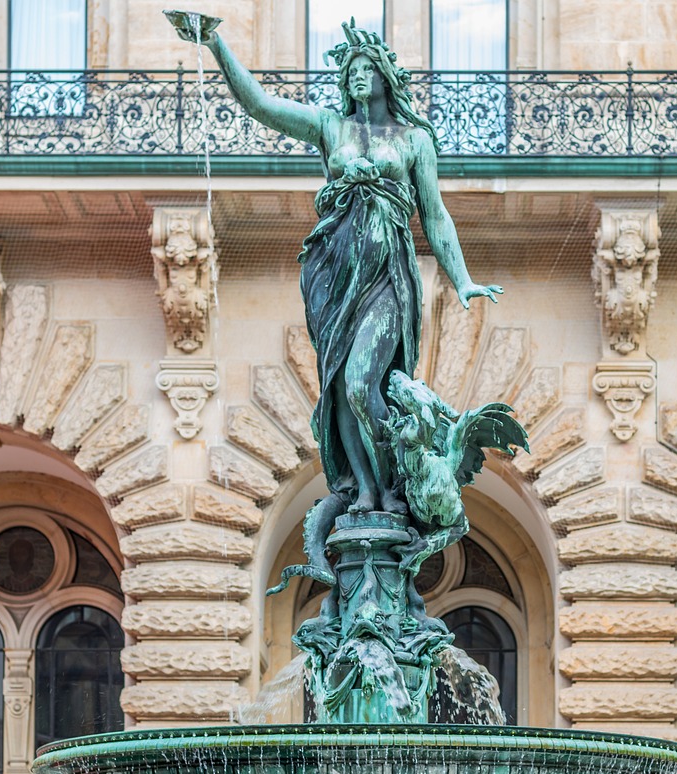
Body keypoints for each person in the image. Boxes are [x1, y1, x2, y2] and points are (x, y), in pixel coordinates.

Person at [195, 19, 502, 515]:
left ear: (384, 76)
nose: (356, 78)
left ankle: (397, 476)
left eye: (365, 69)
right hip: (333, 270)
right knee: (338, 384)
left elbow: (435, 214)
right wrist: (215, 44)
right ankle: (365, 488)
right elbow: (260, 106)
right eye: (350, 72)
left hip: (386, 274)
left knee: (363, 381)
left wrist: (461, 279)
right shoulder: (330, 126)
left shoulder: (413, 139)